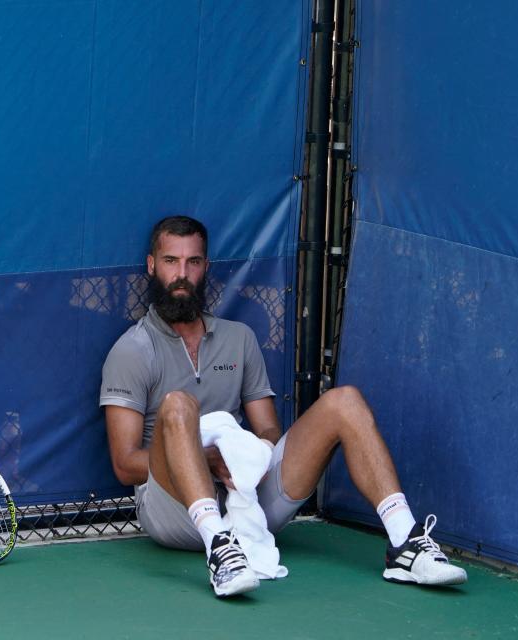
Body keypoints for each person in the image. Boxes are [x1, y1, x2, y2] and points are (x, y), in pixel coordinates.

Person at [99, 215, 467, 597]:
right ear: (152, 266)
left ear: (206, 267)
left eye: (192, 262)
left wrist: (247, 457)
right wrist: (206, 457)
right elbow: (125, 465)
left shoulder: (239, 338)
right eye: (171, 261)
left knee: (346, 402)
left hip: (247, 501)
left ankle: (405, 543)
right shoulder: (132, 350)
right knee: (178, 405)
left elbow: (269, 432)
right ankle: (220, 551)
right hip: (174, 512)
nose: (181, 274)